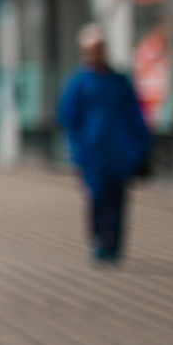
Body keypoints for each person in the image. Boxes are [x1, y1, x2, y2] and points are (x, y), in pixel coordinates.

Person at [56, 23, 152, 264]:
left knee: (117, 200)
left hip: (119, 154)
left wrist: (141, 146)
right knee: (97, 198)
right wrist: (76, 150)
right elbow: (68, 118)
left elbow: (135, 115)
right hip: (92, 154)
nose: (96, 54)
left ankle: (114, 245)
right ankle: (99, 240)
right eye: (92, 49)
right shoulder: (79, 83)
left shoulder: (119, 82)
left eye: (100, 48)